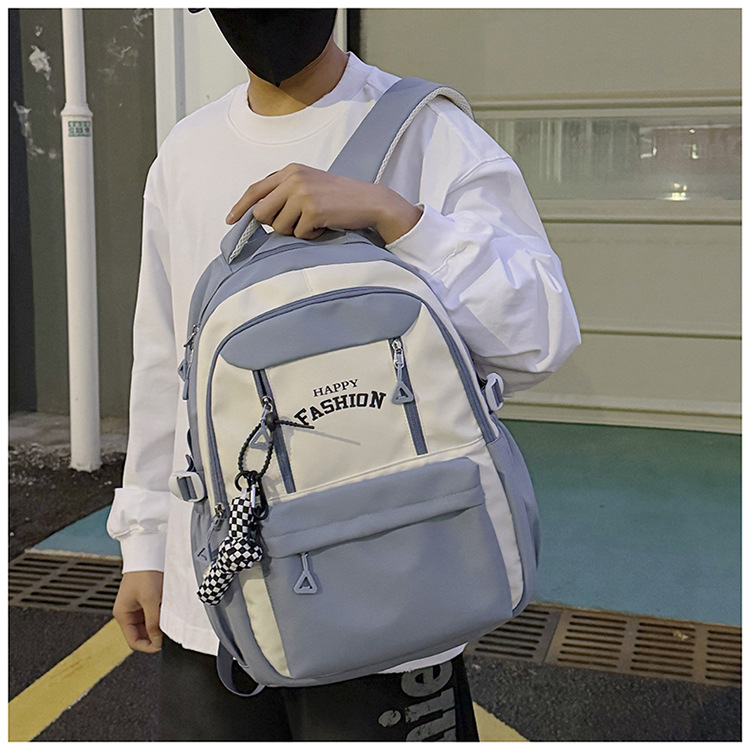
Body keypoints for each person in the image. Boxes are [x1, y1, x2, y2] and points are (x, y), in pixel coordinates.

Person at [108, 8, 580, 741]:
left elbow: (540, 337)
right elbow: (164, 362)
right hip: (218, 590)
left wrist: (399, 217)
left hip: (396, 594)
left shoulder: (426, 131)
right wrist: (144, 542)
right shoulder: (186, 152)